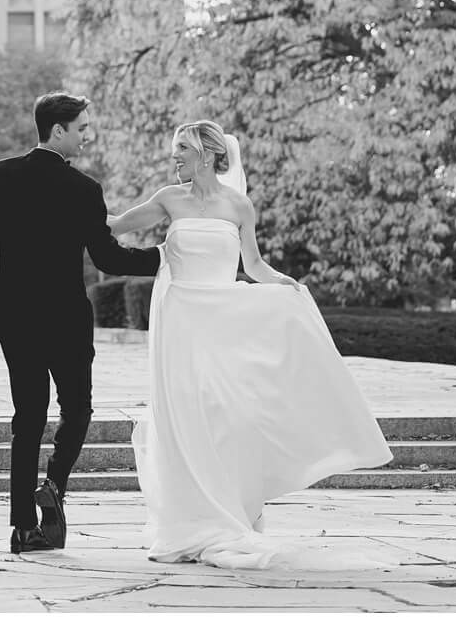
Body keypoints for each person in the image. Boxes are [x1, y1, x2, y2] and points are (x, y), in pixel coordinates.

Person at [110, 119, 393, 567]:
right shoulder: (168, 199)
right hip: (180, 322)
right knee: (184, 414)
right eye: (174, 148)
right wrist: (68, 206)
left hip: (224, 324)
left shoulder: (238, 206)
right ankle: (187, 520)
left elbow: (254, 264)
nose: (174, 155)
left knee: (231, 414)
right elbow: (116, 225)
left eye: (182, 147)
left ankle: (235, 509)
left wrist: (288, 286)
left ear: (207, 153)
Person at [0, 91, 163, 555]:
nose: (89, 136)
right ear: (59, 130)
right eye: (83, 128)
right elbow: (108, 257)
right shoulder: (84, 190)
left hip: (17, 316)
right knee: (78, 410)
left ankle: (24, 528)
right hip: (66, 318)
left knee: (27, 419)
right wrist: (164, 258)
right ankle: (54, 484)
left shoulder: (2, 174)